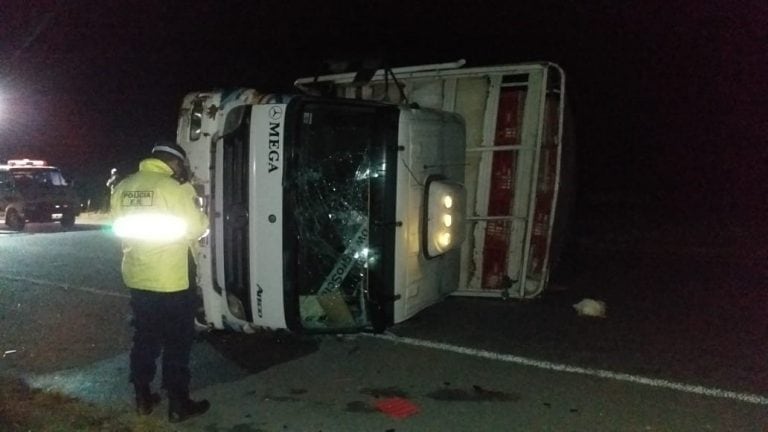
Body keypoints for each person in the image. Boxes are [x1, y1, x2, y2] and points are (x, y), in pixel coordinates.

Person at [110, 142, 210, 423]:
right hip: (174, 279)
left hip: (138, 276)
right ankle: (179, 403)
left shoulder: (124, 187)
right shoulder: (175, 188)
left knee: (145, 337)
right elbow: (198, 227)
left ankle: (143, 397)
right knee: (178, 342)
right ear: (175, 163)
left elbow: (118, 228)